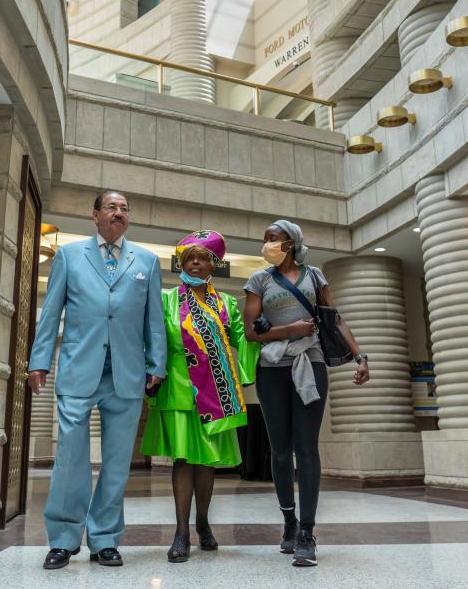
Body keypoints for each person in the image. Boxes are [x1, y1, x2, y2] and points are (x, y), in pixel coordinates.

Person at [27, 190, 167, 569]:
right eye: (111, 207)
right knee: (70, 456)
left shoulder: (148, 261)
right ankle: (63, 537)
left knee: (118, 462)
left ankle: (105, 538)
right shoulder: (70, 255)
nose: (119, 213)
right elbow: (51, 309)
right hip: (78, 367)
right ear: (95, 215)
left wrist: (157, 363)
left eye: (124, 209)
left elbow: (153, 318)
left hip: (127, 373)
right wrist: (38, 360)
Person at [242, 219, 370, 567]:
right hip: (272, 370)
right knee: (280, 450)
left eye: (275, 238)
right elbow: (252, 332)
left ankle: (307, 533)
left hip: (310, 364)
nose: (268, 243)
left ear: (292, 242)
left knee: (307, 447)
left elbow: (335, 319)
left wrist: (360, 356)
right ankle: (288, 520)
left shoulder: (314, 276)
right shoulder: (260, 280)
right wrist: (289, 329)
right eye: (265, 238)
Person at [141, 230, 259, 562]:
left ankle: (203, 523)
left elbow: (244, 337)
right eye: (190, 257)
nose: (195, 262)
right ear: (181, 262)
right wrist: (149, 372)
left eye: (203, 258)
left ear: (213, 265)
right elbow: (151, 336)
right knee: (182, 460)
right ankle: (181, 532)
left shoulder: (225, 303)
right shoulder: (166, 299)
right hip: (178, 388)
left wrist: (265, 332)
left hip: (215, 392)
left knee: (206, 461)